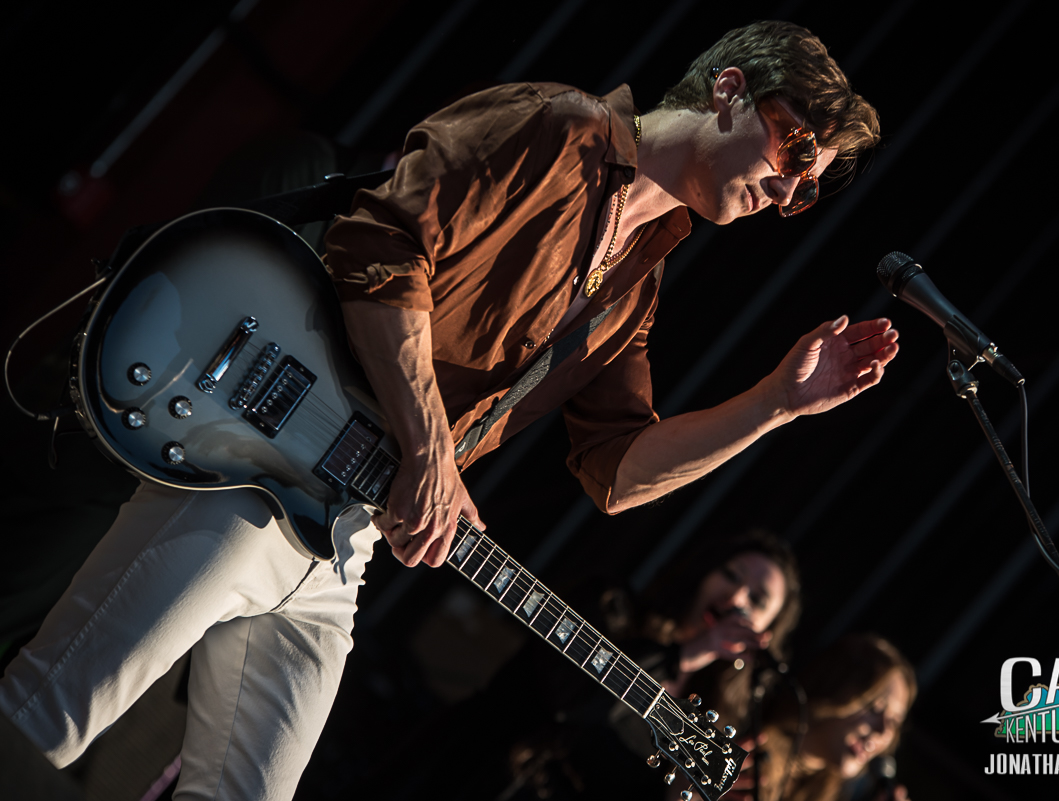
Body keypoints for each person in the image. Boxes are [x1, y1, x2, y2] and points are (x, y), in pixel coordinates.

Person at [1, 20, 895, 801]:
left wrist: (775, 405)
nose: (791, 190)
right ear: (730, 89)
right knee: (46, 715)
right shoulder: (560, 127)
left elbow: (619, 471)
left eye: (810, 185)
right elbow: (381, 246)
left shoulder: (637, 284)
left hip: (343, 542)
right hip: (263, 457)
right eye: (796, 152)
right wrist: (431, 451)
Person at [395, 530, 801, 801]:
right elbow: (569, 696)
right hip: (462, 772)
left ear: (766, 634)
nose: (736, 598)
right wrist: (689, 651)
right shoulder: (612, 607)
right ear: (704, 573)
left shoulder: (708, 725)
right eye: (730, 575)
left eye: (757, 600)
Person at [736, 634, 917, 801]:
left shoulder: (827, 791)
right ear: (835, 689)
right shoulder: (741, 749)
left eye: (894, 722)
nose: (883, 731)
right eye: (875, 708)